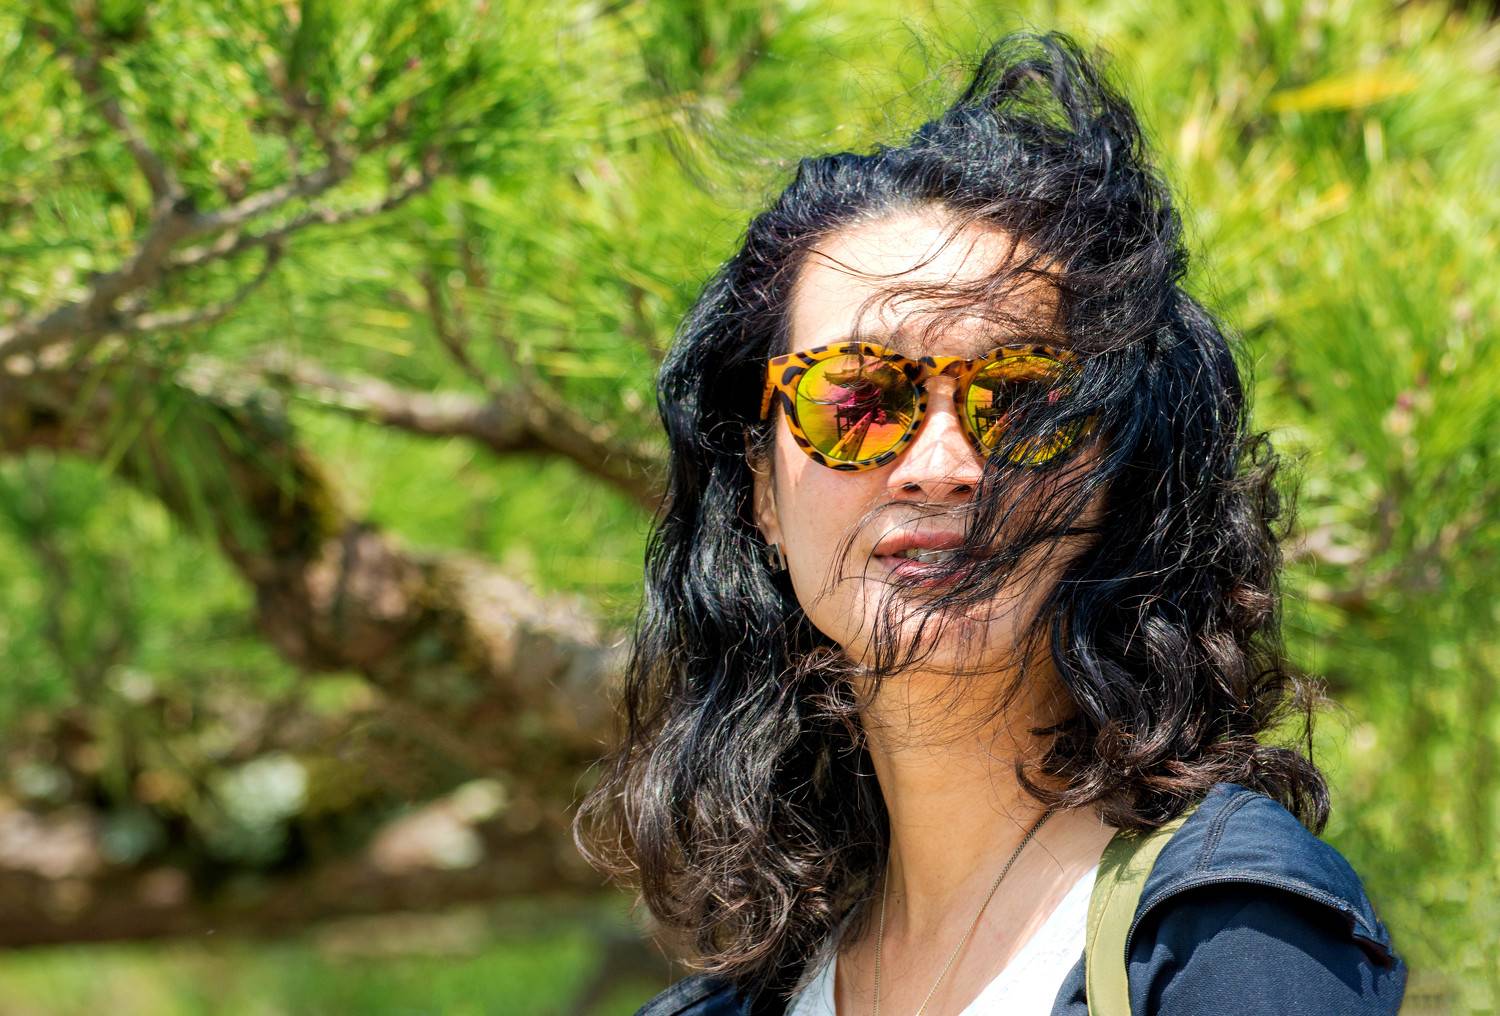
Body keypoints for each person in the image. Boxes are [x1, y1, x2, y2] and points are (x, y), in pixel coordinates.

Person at [573, 30, 1409, 1016]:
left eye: (1021, 402)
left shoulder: (1228, 940)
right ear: (762, 490)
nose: (941, 467)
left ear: (1118, 473)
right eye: (856, 399)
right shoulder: (726, 1007)